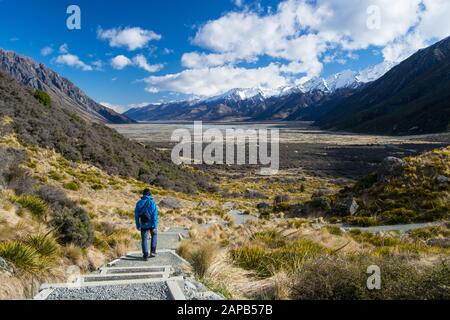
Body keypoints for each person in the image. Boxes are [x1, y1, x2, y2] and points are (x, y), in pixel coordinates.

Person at [134, 188, 159, 260]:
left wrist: (138, 225)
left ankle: (145, 255)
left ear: (143, 194)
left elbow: (136, 216)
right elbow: (155, 215)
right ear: (150, 194)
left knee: (144, 239)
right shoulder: (152, 202)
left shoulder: (139, 203)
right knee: (154, 235)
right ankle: (153, 252)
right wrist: (155, 225)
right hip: (152, 224)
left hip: (143, 224)